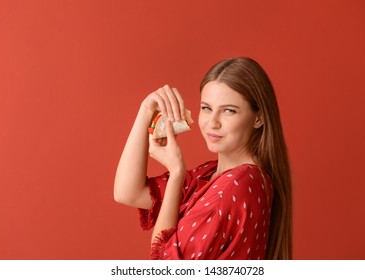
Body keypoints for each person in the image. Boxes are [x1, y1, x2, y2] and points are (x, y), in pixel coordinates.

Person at [114, 57, 292, 260]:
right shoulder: (212, 174)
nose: (212, 123)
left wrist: (176, 173)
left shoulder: (236, 185)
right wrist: (146, 110)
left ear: (259, 118)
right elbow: (128, 192)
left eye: (229, 111)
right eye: (206, 108)